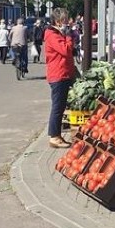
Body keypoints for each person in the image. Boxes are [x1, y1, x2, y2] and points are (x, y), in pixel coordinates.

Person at [44, 8, 77, 148]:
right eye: (64, 20)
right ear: (57, 21)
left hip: (64, 73)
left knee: (61, 105)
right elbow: (65, 50)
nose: (66, 23)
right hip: (58, 74)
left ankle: (57, 135)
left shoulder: (58, 33)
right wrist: (69, 37)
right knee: (57, 107)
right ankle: (54, 136)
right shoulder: (52, 34)